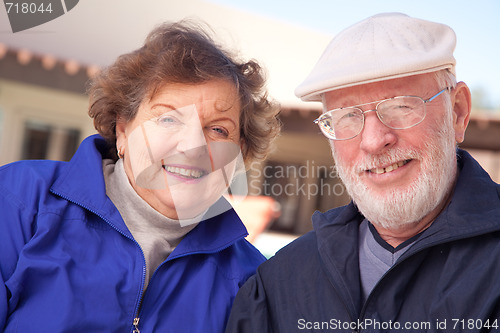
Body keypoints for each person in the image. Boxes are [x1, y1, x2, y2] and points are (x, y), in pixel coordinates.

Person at [226, 13, 500, 332]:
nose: (372, 141)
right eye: (346, 116)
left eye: (400, 105)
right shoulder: (278, 286)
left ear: (458, 112)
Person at [0, 20, 280, 332]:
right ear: (122, 130)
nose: (193, 146)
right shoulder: (19, 200)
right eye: (169, 118)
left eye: (218, 129)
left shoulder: (253, 280)